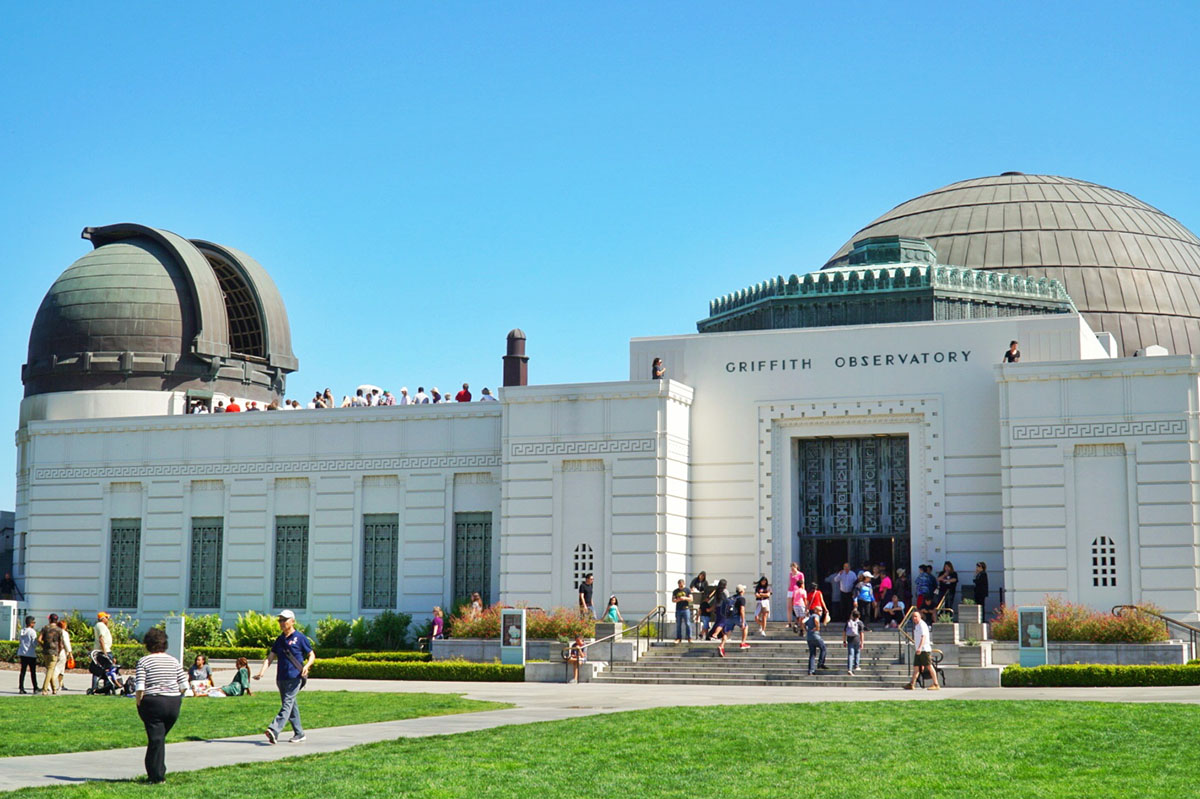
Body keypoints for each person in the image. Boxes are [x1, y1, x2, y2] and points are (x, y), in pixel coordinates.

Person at [135, 627, 189, 783]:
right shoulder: (173, 661)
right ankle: (158, 772)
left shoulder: (144, 661)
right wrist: (179, 696)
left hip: (153, 702)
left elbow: (140, 687)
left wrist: (139, 703)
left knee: (156, 739)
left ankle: (156, 776)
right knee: (158, 739)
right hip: (173, 703)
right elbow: (184, 684)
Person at [255, 609, 314, 744]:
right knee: (290, 704)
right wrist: (261, 672)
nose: (281, 623)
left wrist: (307, 666)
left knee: (287, 704)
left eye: (284, 620)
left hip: (295, 677)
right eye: (280, 620)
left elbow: (312, 655)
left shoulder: (300, 638)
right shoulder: (280, 640)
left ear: (292, 621)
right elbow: (270, 657)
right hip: (281, 677)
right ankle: (299, 733)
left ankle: (274, 730)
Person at [906, 610, 940, 690]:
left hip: (924, 650)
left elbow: (923, 637)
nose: (914, 618)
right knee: (916, 667)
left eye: (916, 616)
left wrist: (920, 647)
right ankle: (912, 684)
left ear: (920, 617)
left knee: (929, 666)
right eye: (913, 617)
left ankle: (936, 684)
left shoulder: (922, 625)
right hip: (918, 650)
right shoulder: (917, 626)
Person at [717, 584, 750, 655]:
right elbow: (742, 610)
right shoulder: (741, 598)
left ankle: (721, 646)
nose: (744, 591)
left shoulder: (731, 598)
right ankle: (743, 643)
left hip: (729, 617)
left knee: (727, 632)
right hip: (737, 617)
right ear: (741, 591)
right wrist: (743, 621)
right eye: (743, 590)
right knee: (746, 627)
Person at [38, 614, 65, 695]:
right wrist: (59, 651)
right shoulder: (59, 630)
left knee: (49, 670)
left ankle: (54, 689)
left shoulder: (45, 628)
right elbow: (61, 644)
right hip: (54, 652)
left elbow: (39, 639)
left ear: (50, 620)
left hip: (46, 652)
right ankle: (44, 689)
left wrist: (43, 646)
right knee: (50, 670)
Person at [93, 611, 113, 692]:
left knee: (103, 670)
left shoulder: (101, 625)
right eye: (107, 618)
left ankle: (104, 687)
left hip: (104, 650)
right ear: (103, 618)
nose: (108, 619)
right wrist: (105, 652)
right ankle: (106, 687)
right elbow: (101, 639)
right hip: (103, 651)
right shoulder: (100, 625)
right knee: (106, 669)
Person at [804, 605, 827, 674]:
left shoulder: (810, 617)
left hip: (809, 637)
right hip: (816, 636)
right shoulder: (815, 616)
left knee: (812, 654)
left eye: (821, 611)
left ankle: (811, 670)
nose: (821, 612)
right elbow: (816, 621)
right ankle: (820, 663)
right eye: (819, 611)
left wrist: (806, 630)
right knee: (823, 648)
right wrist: (817, 627)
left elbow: (803, 623)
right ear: (815, 610)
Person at [17, 615, 38, 694]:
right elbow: (34, 643)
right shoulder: (32, 631)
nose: (34, 624)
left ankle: (21, 687)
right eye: (34, 622)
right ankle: (35, 687)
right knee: (33, 672)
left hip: (22, 653)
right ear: (31, 623)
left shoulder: (22, 631)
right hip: (31, 653)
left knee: (23, 671)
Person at [843, 609, 866, 675]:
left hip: (850, 640)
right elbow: (862, 633)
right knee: (857, 652)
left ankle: (849, 669)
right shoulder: (860, 623)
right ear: (859, 616)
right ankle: (856, 665)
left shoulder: (848, 622)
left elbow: (844, 632)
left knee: (850, 654)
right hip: (857, 639)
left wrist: (844, 641)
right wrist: (862, 642)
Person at [690, 571, 710, 638]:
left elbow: (706, 589)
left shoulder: (705, 582)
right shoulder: (695, 580)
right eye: (700, 575)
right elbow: (691, 586)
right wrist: (693, 589)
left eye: (703, 576)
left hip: (702, 596)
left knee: (705, 621)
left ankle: (703, 633)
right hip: (696, 595)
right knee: (705, 621)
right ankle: (703, 633)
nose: (701, 577)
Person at [672, 579, 692, 643]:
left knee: (688, 623)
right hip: (678, 609)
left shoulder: (687, 590)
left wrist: (685, 598)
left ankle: (689, 637)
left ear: (684, 584)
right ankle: (678, 638)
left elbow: (691, 599)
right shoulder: (675, 591)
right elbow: (673, 600)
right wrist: (678, 599)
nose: (681, 586)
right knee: (678, 624)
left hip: (686, 609)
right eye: (679, 585)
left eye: (682, 585)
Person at [55, 618, 72, 692]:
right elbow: (66, 643)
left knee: (61, 670)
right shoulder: (64, 633)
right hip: (62, 652)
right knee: (58, 669)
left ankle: (61, 684)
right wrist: (70, 653)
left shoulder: (55, 632)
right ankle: (50, 683)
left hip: (54, 651)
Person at [786, 563, 804, 630]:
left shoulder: (800, 574)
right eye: (791, 568)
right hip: (790, 591)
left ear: (796, 567)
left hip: (797, 591)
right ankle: (789, 622)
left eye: (793, 568)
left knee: (797, 607)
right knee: (789, 607)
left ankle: (798, 622)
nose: (792, 570)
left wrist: (802, 592)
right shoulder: (790, 574)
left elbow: (802, 583)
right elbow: (790, 582)